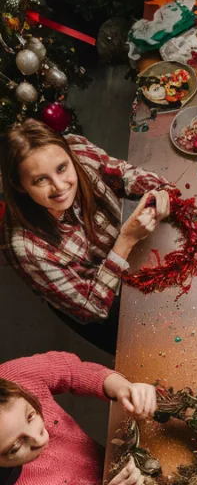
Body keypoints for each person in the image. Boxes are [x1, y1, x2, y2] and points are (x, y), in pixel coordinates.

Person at [0, 119, 172, 353]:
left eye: (62, 168)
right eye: (40, 180)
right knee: (147, 350)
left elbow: (124, 175)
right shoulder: (26, 248)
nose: (59, 186)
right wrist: (126, 240)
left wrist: (154, 196)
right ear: (19, 186)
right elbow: (93, 309)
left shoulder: (78, 150)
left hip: (129, 259)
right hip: (94, 299)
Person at [0, 349, 156, 485]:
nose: (39, 438)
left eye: (30, 415)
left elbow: (71, 371)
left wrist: (120, 387)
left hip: (106, 461)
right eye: (15, 447)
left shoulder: (14, 378)